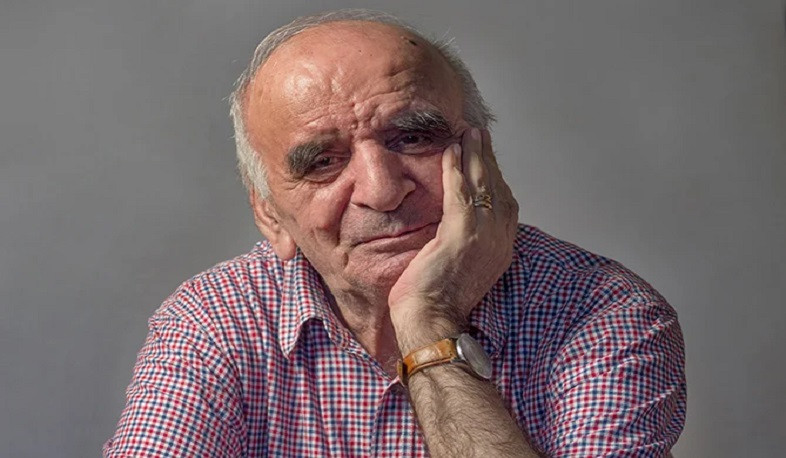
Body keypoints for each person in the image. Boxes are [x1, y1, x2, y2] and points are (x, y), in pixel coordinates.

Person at [105, 10, 685, 457]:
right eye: (323, 162)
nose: (381, 190)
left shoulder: (604, 312)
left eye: (413, 137)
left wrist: (428, 320)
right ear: (271, 216)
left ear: (484, 162)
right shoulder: (212, 322)